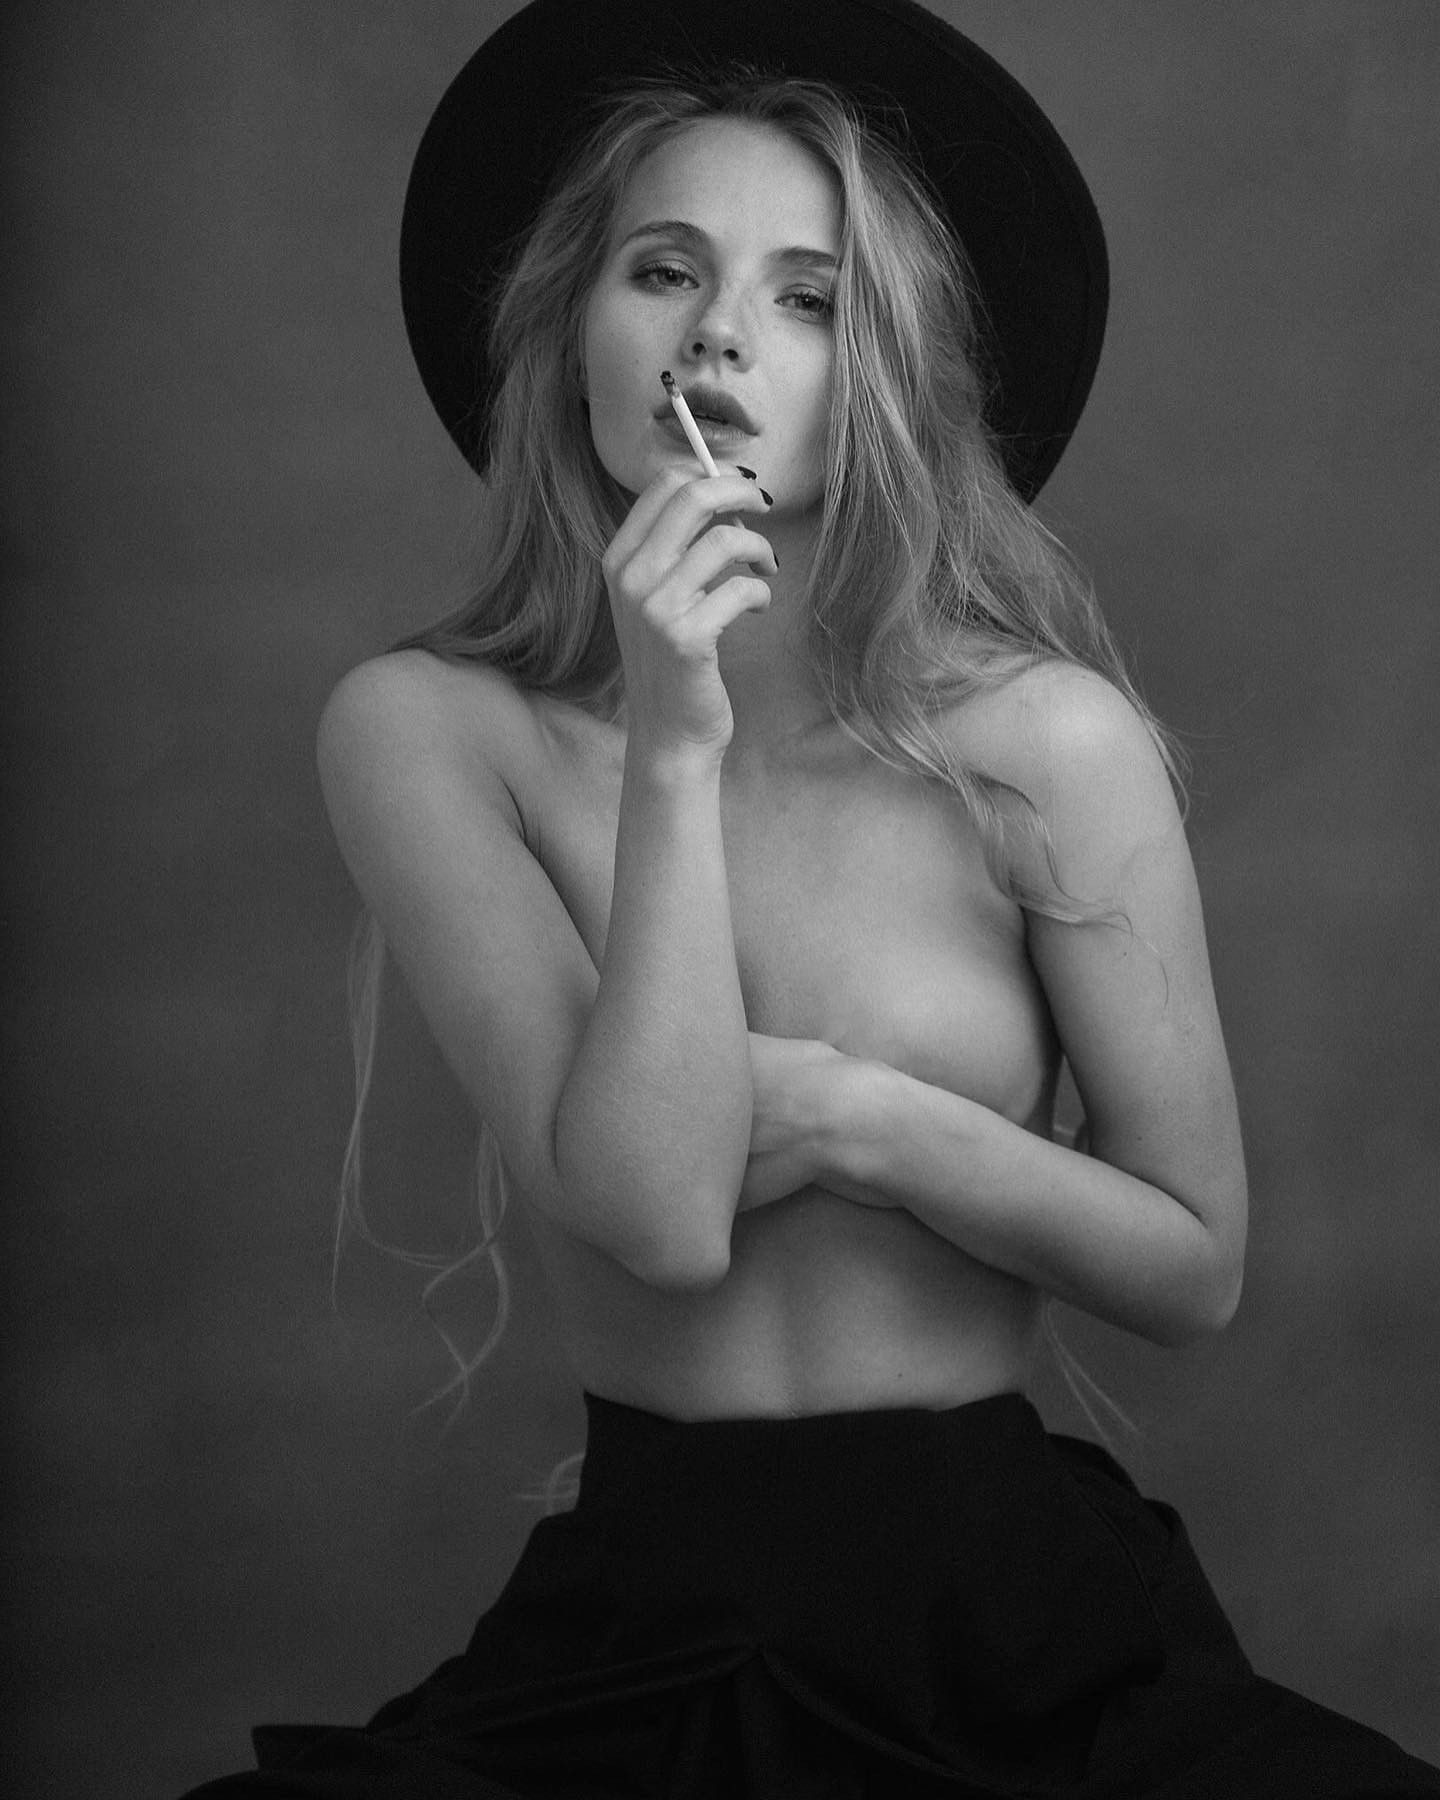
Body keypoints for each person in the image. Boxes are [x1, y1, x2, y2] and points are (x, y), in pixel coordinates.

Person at [183, 1, 1440, 1793]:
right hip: (636, 1627)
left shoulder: (1046, 742)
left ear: (891, 379)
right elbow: (662, 1216)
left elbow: (1194, 1267)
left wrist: (859, 1116)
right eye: (663, 271)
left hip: (1025, 1630)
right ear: (570, 335)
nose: (718, 333)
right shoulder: (427, 730)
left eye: (809, 298)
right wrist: (673, 744)